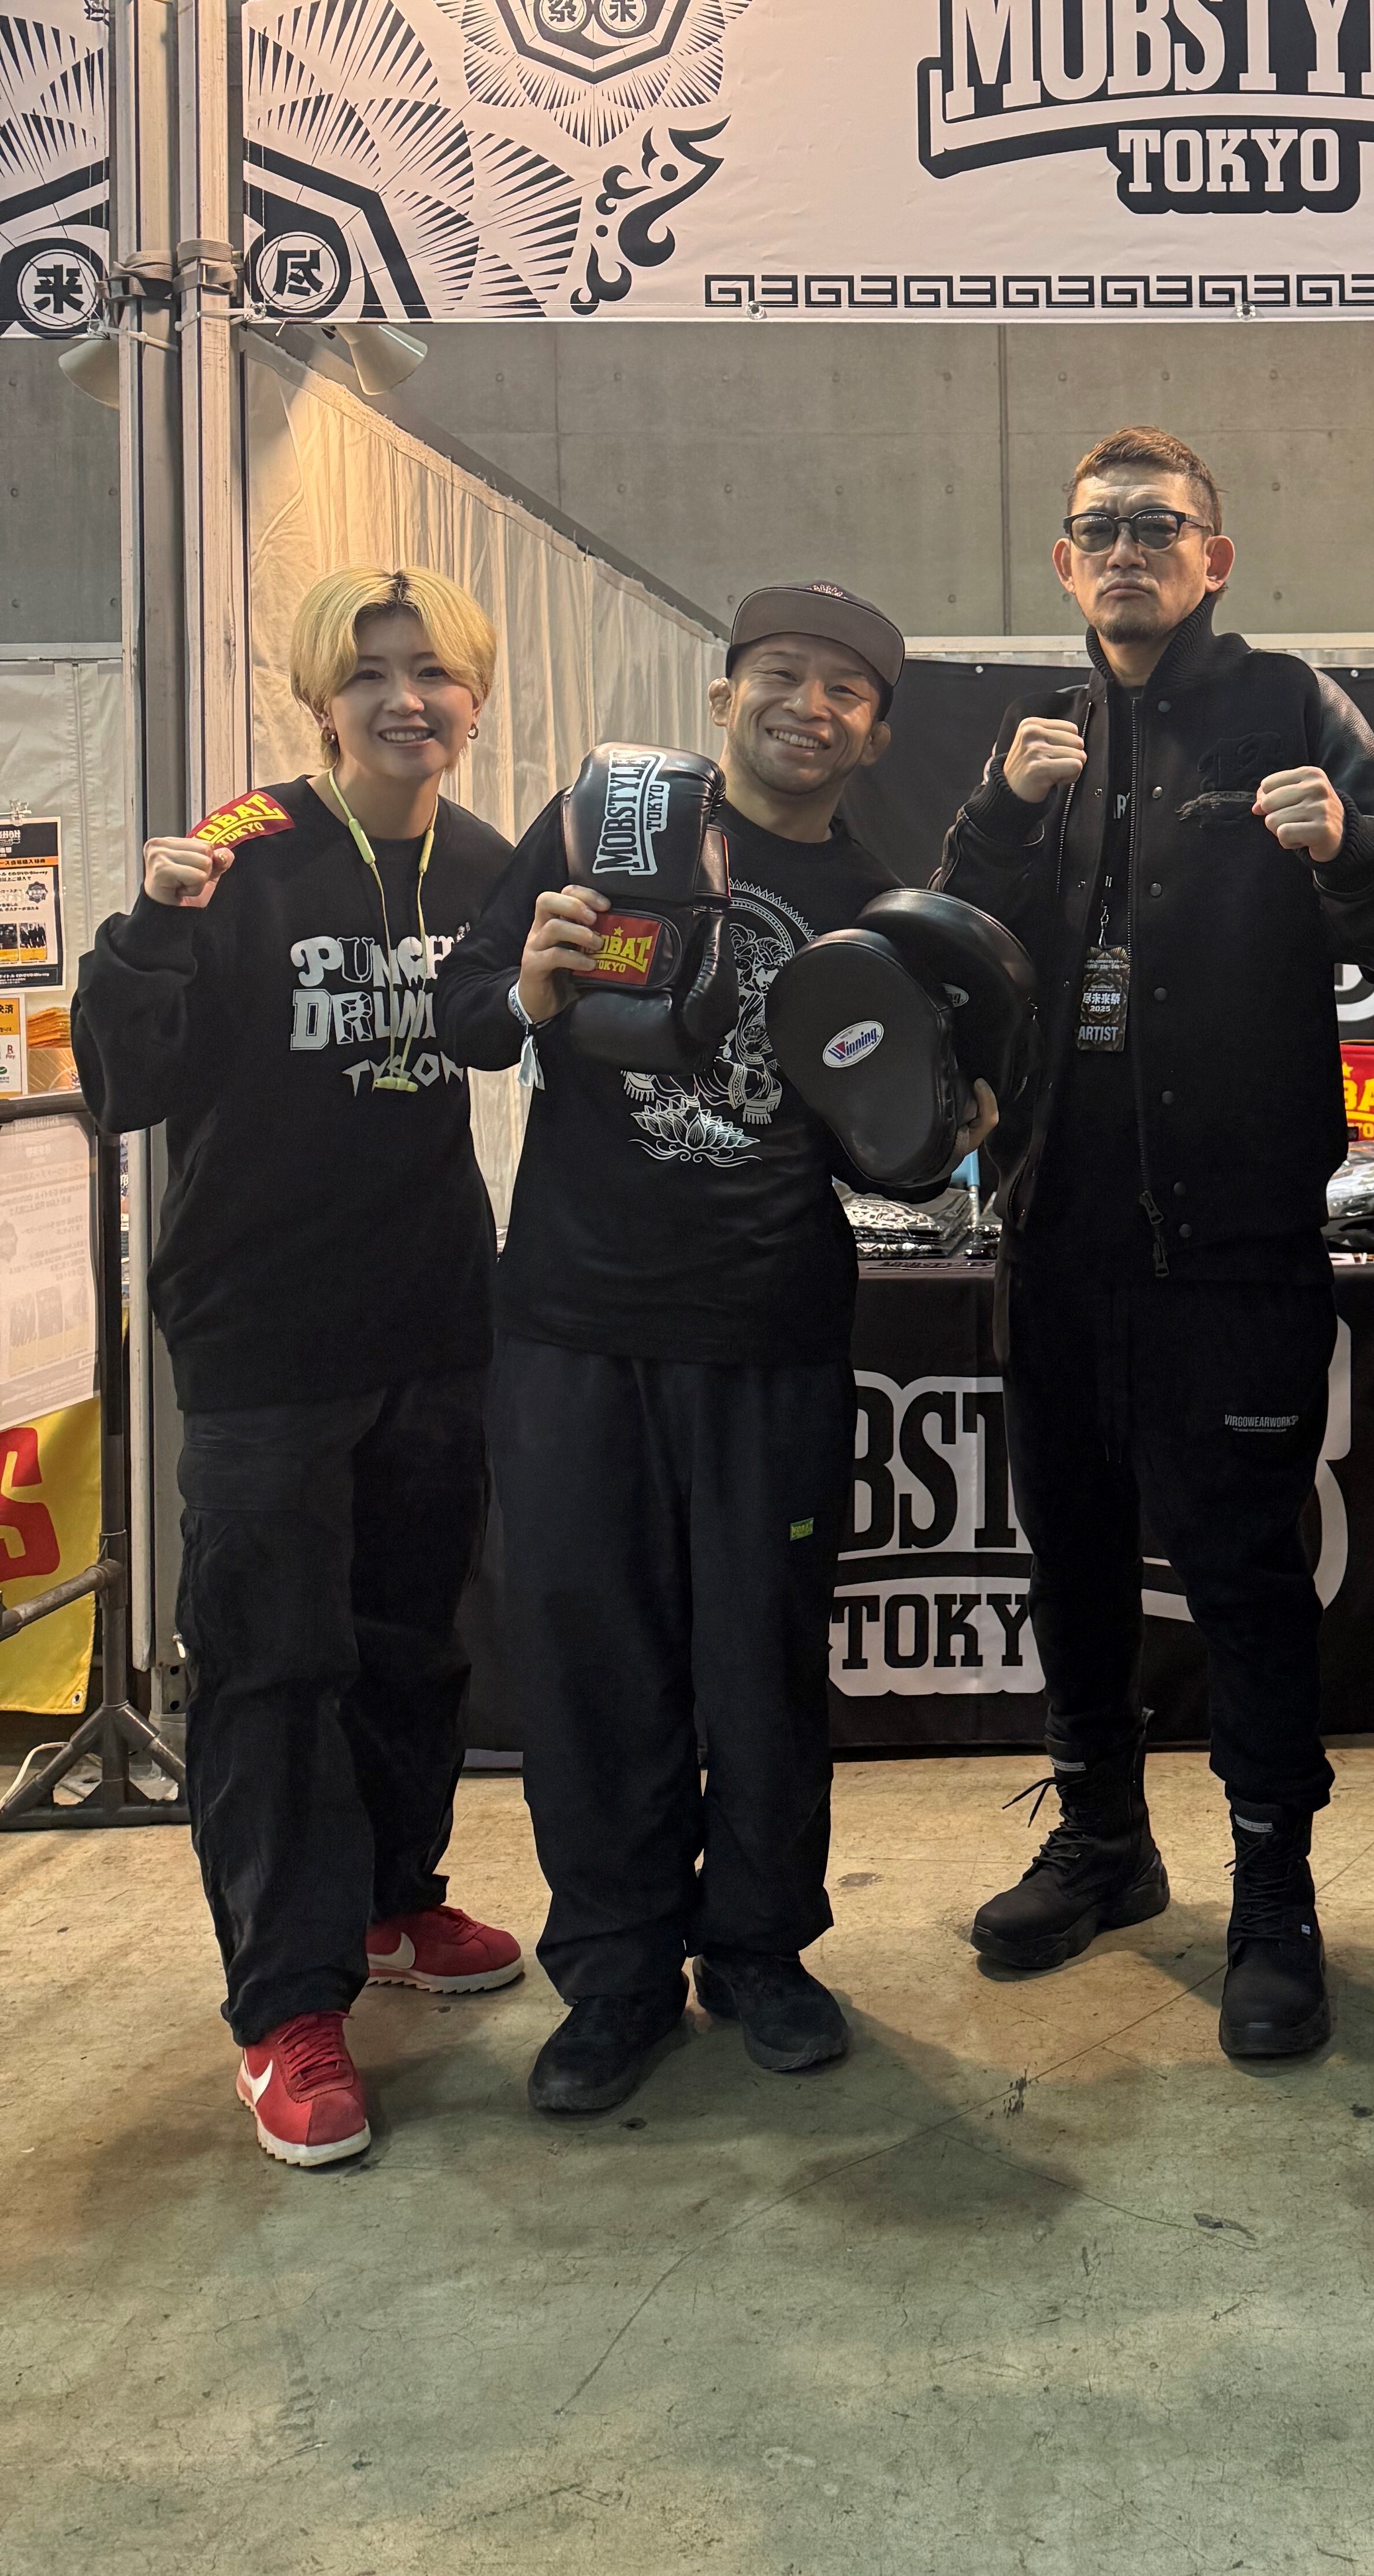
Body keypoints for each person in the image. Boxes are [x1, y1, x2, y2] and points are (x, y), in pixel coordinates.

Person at [434, 585, 997, 2119]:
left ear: (876, 732)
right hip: (574, 1326)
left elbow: (896, 1161)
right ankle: (615, 1974)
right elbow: (468, 1015)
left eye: (846, 691)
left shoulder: (880, 910)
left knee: (762, 1663)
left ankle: (757, 1950)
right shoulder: (604, 826)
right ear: (723, 694)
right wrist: (529, 984)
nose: (809, 706)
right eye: (782, 675)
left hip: (768, 1333)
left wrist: (948, 1125)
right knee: (592, 1668)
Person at [935, 426, 1374, 2059]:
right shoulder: (1039, 739)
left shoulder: (1291, 705)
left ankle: (1273, 1888)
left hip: (1235, 1238)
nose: (1128, 549)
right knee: (1068, 1551)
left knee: (1244, 1571)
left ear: (1214, 559)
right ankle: (1103, 1841)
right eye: (1101, 529)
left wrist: (1349, 847)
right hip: (1058, 1232)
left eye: (1160, 526)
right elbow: (954, 942)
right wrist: (1005, 816)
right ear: (1065, 565)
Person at [72, 566, 521, 2171]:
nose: (406, 699)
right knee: (271, 1667)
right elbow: (122, 1088)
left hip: (431, 1319)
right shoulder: (245, 853)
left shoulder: (486, 864)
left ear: (476, 696)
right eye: (370, 673)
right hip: (263, 1332)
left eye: (433, 671)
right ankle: (286, 2005)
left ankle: (394, 1899)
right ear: (320, 702)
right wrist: (149, 930)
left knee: (411, 1641)